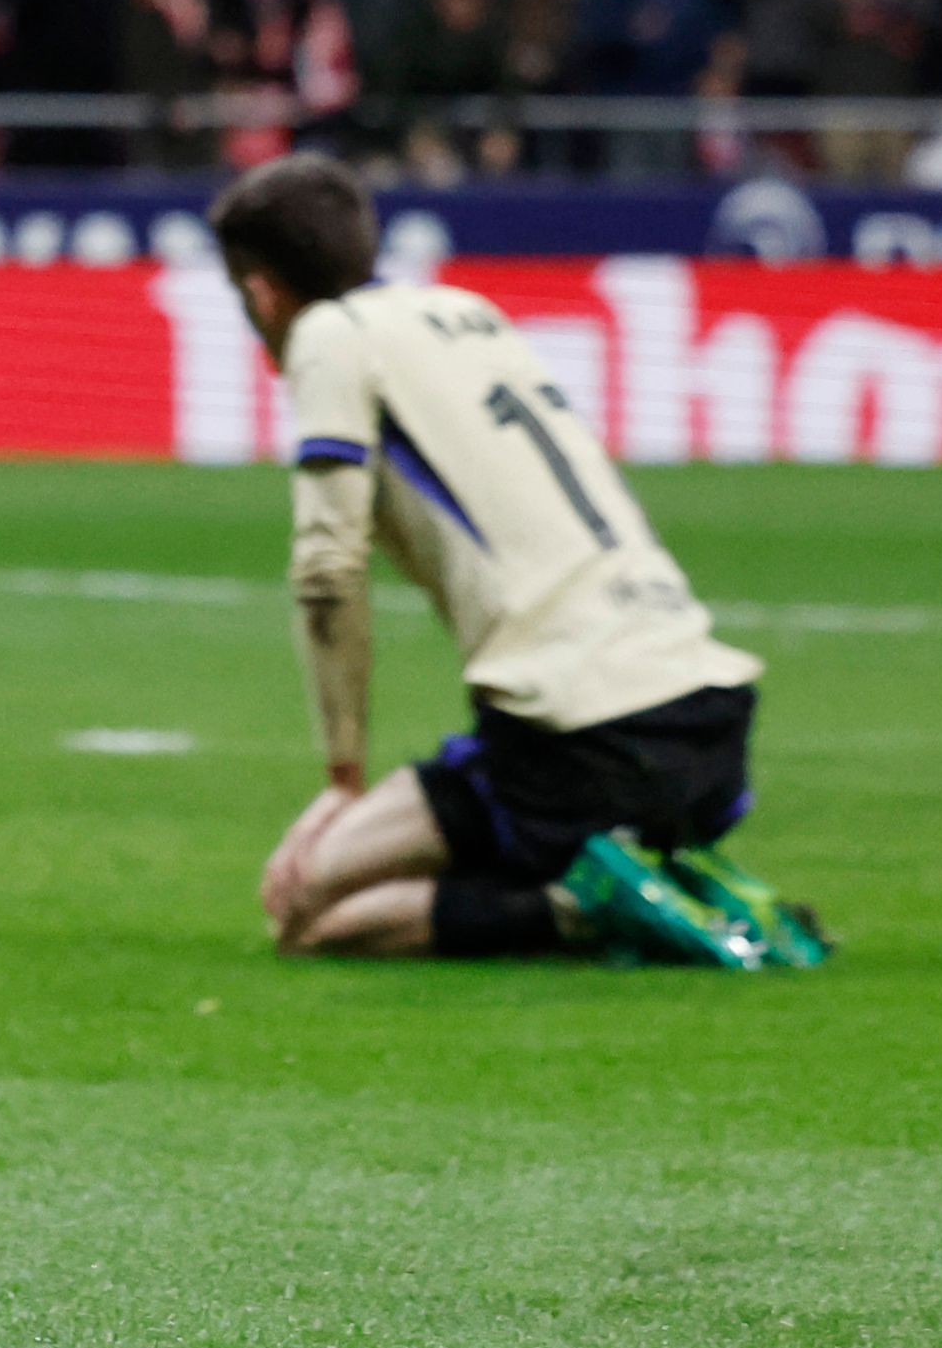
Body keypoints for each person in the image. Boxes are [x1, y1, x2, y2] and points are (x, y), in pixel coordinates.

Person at [212, 154, 829, 971]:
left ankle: (582, 907)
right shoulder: (466, 310)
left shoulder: (330, 335)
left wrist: (341, 775)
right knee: (427, 857)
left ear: (262, 291)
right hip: (706, 715)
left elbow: (328, 568)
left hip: (577, 737)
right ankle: (662, 867)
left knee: (305, 910)